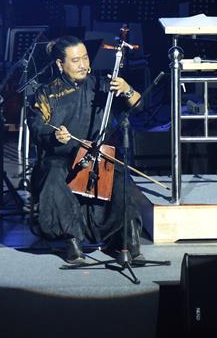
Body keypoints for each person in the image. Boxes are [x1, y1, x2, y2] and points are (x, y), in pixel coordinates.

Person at [26, 36, 147, 265]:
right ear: (60, 64)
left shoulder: (103, 86)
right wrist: (54, 135)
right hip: (62, 157)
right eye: (75, 60)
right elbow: (36, 126)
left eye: (85, 58)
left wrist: (127, 90)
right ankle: (72, 242)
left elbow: (140, 107)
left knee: (121, 179)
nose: (83, 65)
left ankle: (128, 241)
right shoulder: (46, 92)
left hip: (98, 156)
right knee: (53, 173)